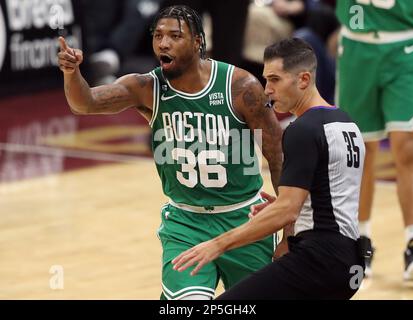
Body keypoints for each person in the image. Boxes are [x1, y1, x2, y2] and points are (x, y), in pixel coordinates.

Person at [58, 5, 283, 300]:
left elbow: (277, 154)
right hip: (185, 223)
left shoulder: (240, 86)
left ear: (198, 42)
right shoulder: (147, 87)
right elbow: (84, 103)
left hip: (245, 220)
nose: (163, 43)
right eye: (158, 36)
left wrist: (289, 220)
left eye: (175, 36)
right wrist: (71, 73)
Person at [172, 38, 366, 300]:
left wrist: (217, 244)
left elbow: (287, 211)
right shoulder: (346, 123)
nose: (267, 89)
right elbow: (334, 193)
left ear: (304, 79)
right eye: (266, 79)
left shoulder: (302, 130)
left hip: (318, 259)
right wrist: (297, 205)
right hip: (351, 263)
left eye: (275, 79)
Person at [336, 0, 413, 280]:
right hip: (357, 47)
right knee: (358, 150)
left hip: (405, 45)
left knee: (407, 148)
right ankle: (361, 238)